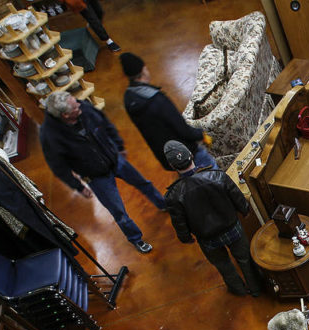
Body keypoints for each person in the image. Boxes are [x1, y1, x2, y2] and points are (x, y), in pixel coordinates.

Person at [40, 92, 166, 254]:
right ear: (65, 115)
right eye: (75, 106)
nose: (80, 105)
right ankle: (136, 239)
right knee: (119, 213)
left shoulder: (84, 107)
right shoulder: (50, 136)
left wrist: (119, 146)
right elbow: (58, 167)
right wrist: (78, 186)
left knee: (144, 183)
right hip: (97, 177)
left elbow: (105, 123)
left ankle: (162, 204)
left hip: (115, 159)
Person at [162, 140, 263, 296]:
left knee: (223, 265)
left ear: (172, 166)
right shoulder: (218, 176)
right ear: (191, 156)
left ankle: (238, 290)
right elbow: (237, 197)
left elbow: (179, 222)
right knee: (244, 259)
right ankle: (256, 288)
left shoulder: (173, 195)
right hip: (232, 227)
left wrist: (186, 237)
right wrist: (245, 210)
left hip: (207, 238)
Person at [119, 52, 216, 172]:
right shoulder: (157, 100)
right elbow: (181, 127)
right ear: (143, 70)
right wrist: (200, 135)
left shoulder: (129, 99)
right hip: (188, 151)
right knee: (215, 174)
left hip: (169, 158)